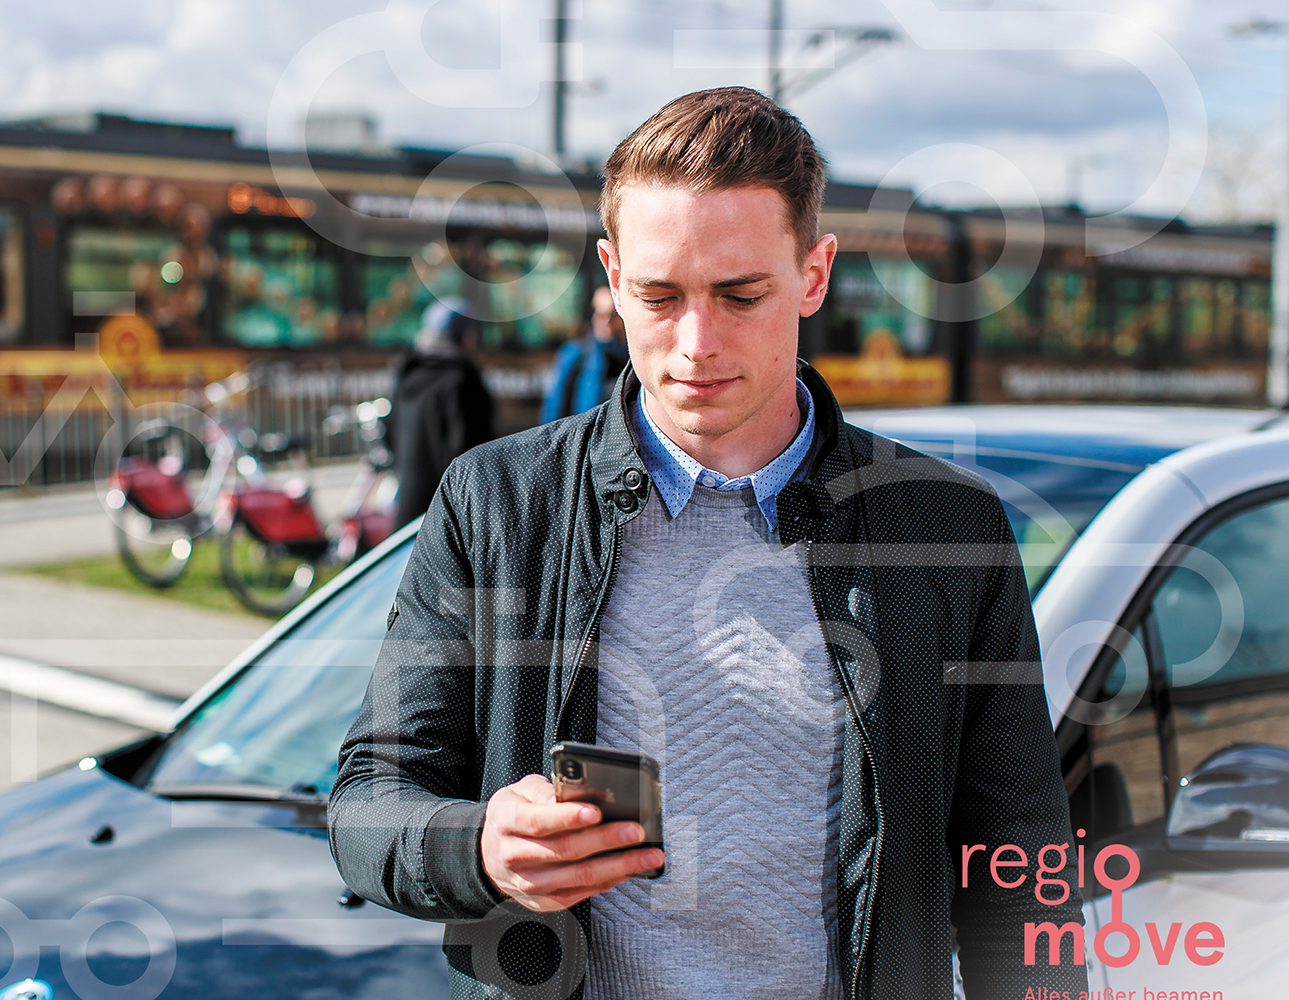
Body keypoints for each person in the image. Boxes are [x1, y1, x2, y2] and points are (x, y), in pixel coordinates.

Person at [331, 88, 1086, 1000]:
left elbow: (1020, 876)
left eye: (740, 295)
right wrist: (480, 848)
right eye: (659, 295)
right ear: (611, 276)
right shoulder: (496, 502)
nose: (696, 344)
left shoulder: (947, 529)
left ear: (814, 274)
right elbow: (370, 799)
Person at [388, 296, 495, 527]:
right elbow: (470, 454)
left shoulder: (408, 375)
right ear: (466, 337)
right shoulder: (460, 383)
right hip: (447, 518)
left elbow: (391, 436)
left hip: (408, 510)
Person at [542, 286, 630, 422]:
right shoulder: (576, 354)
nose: (605, 321)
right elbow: (556, 406)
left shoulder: (633, 358)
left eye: (612, 315)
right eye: (600, 314)